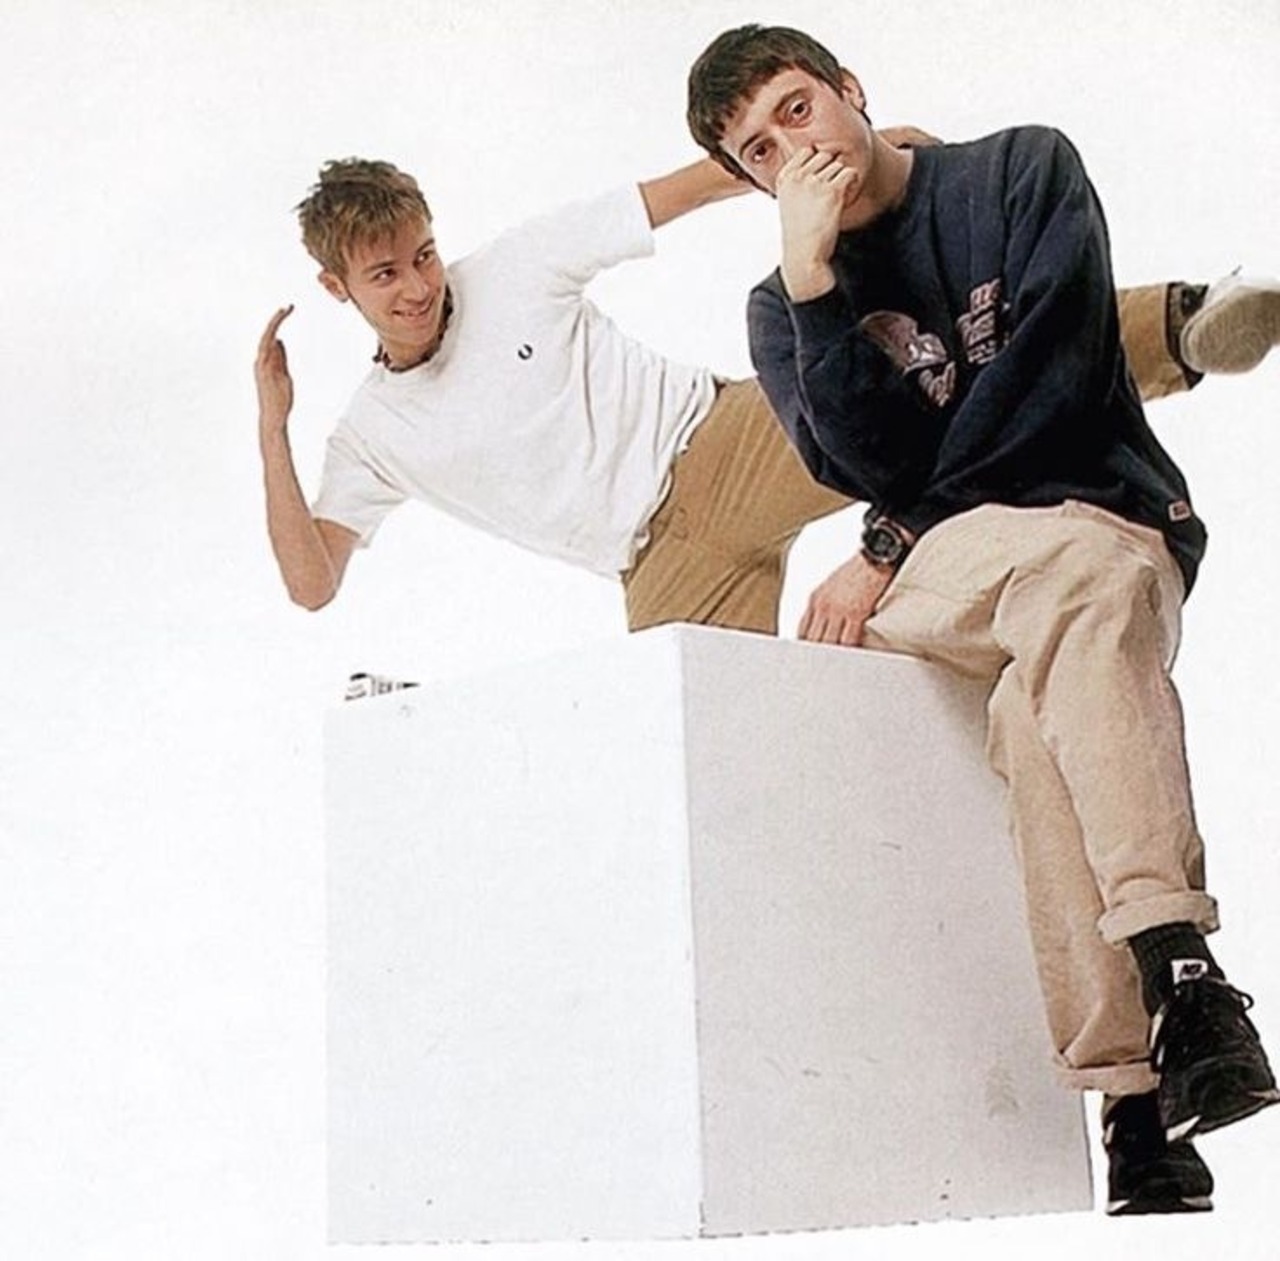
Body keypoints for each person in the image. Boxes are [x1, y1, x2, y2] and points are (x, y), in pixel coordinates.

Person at [685, 22, 1278, 1218]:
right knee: (1073, 588)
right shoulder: (780, 306)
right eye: (756, 152)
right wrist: (812, 286)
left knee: (1036, 708)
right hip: (951, 575)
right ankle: (1179, 964)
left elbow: (1052, 386)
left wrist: (889, 536)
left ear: (850, 90)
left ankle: (1130, 1103)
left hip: (1106, 521)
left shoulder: (1018, 171)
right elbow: (867, 463)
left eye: (795, 110)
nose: (791, 150)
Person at [254, 158, 1279, 639]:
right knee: (703, 767)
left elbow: (683, 190)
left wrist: (846, 164)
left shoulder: (512, 267)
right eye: (384, 275)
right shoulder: (372, 436)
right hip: (659, 566)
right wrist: (273, 425)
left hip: (718, 446)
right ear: (338, 288)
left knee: (929, 369)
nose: (418, 285)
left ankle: (1182, 322)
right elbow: (312, 584)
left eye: (423, 253)